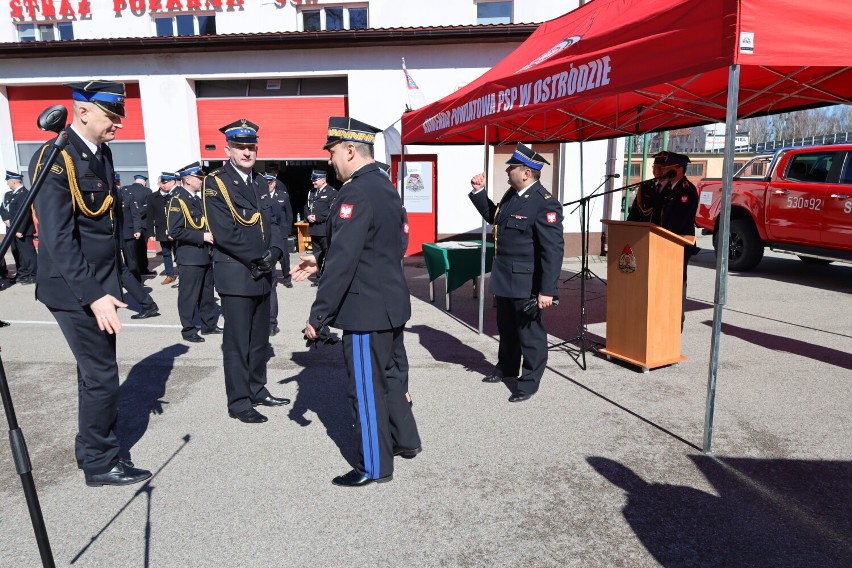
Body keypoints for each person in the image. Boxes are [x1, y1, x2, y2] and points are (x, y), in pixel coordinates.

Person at [28, 80, 151, 487]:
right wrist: (94, 294)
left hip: (99, 284)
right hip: (74, 288)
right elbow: (58, 239)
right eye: (111, 116)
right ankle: (100, 462)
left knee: (93, 372)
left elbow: (105, 227)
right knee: (101, 375)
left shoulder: (102, 153)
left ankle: (89, 448)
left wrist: (116, 284)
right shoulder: (56, 158)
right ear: (82, 112)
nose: (118, 123)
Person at [292, 116, 421, 487]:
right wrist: (320, 259)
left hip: (365, 311)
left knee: (366, 389)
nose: (330, 160)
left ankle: (374, 466)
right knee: (393, 378)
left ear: (350, 150)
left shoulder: (354, 192)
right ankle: (405, 441)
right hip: (391, 303)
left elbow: (347, 259)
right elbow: (385, 245)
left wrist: (319, 315)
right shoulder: (384, 186)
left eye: (332, 152)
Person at [203, 118, 290, 424]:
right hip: (238, 274)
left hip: (263, 272)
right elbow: (225, 232)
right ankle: (239, 401)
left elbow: (275, 223)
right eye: (239, 146)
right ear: (228, 149)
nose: (246, 152)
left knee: (259, 339)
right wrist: (259, 257)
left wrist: (276, 252)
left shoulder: (260, 182)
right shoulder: (215, 183)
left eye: (250, 146)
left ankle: (257, 388)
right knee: (237, 342)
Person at [468, 143, 564, 403]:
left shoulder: (545, 204)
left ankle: (529, 381)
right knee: (507, 329)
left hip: (526, 281)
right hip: (505, 277)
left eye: (512, 167)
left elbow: (552, 251)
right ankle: (507, 368)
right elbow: (494, 218)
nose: (507, 171)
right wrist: (479, 192)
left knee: (529, 333)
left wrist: (547, 290)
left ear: (526, 173)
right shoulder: (513, 195)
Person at [638, 151, 699, 327]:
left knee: (677, 284)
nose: (665, 171)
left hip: (678, 245)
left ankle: (675, 321)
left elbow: (679, 221)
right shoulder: (669, 190)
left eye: (670, 168)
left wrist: (661, 236)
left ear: (680, 169)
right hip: (663, 244)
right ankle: (661, 319)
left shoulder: (687, 190)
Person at [168, 162, 220, 343]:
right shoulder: (177, 200)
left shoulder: (197, 199)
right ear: (188, 179)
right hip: (190, 256)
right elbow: (174, 231)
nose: (202, 181)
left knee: (207, 293)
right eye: (199, 178)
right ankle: (188, 329)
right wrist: (201, 236)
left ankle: (209, 325)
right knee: (189, 295)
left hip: (206, 254)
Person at [2, 171, 38, 284]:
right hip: (11, 230)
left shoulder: (24, 193)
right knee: (16, 252)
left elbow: (25, 214)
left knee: (27, 253)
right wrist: (6, 219)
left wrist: (19, 229)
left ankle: (33, 275)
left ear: (13, 181)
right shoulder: (9, 194)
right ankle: (22, 273)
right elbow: (2, 208)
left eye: (8, 181)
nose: (7, 184)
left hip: (22, 230)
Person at [303, 169, 337, 285]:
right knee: (316, 255)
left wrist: (317, 217)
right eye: (312, 180)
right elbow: (306, 207)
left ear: (323, 180)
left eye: (315, 180)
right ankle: (318, 278)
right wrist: (307, 216)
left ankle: (328, 278)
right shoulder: (311, 192)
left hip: (325, 230)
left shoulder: (332, 192)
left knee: (327, 255)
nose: (313, 182)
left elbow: (332, 211)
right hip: (314, 230)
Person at [147, 172, 178, 285]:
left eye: (166, 182)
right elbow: (149, 217)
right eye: (162, 183)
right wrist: (150, 233)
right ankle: (170, 275)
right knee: (166, 253)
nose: (164, 185)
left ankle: (182, 272)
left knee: (178, 252)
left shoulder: (176, 195)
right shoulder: (152, 197)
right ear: (159, 184)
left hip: (176, 230)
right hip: (161, 230)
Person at [266, 173, 293, 288]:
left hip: (281, 231)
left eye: (271, 183)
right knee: (269, 255)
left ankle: (287, 278)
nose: (269, 186)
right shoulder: (261, 196)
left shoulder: (283, 195)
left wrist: (288, 230)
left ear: (274, 183)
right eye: (267, 184)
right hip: (268, 231)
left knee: (284, 257)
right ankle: (271, 278)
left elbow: (289, 214)